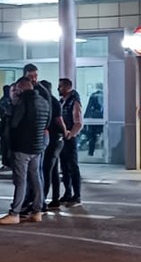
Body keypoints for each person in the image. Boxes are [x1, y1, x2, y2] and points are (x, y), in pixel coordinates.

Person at [0, 77, 49, 225]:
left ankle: (15, 213)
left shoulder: (23, 102)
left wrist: (11, 110)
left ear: (21, 88)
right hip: (37, 146)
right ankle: (37, 211)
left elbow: (14, 123)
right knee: (36, 178)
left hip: (22, 146)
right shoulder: (43, 102)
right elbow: (47, 122)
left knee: (20, 181)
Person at [37, 79, 66, 211]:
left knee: (47, 169)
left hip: (53, 139)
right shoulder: (53, 101)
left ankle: (42, 200)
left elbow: (59, 120)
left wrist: (65, 132)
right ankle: (55, 198)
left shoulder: (50, 102)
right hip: (56, 139)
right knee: (53, 170)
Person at [57, 77, 83, 205]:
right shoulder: (62, 101)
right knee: (64, 167)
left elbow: (78, 122)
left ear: (68, 87)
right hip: (63, 138)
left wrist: (70, 134)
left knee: (73, 167)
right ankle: (67, 193)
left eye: (61, 86)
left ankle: (76, 195)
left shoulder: (74, 102)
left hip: (69, 139)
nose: (58, 88)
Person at [83, 88, 104, 156]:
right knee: (103, 135)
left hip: (93, 118)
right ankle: (103, 152)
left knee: (92, 136)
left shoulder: (93, 96)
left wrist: (85, 118)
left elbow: (89, 108)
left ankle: (91, 152)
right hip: (101, 118)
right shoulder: (104, 95)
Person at [0, 82, 13, 168]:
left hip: (4, 124)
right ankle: (7, 162)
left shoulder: (2, 100)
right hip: (6, 124)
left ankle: (6, 162)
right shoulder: (7, 101)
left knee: (5, 144)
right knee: (6, 144)